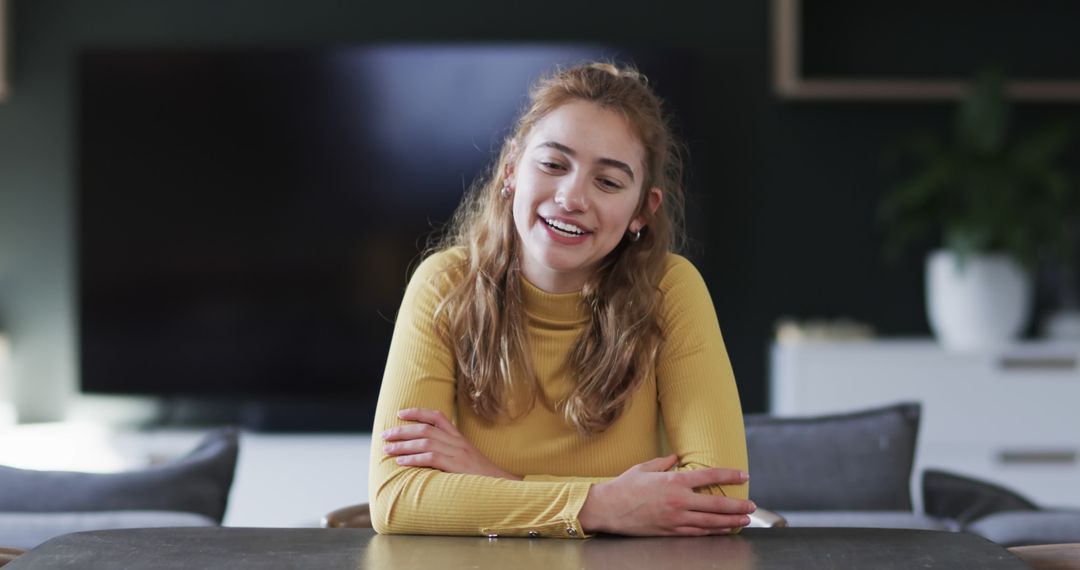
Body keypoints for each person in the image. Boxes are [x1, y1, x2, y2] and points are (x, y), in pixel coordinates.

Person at [369, 62, 752, 538]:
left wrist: (492, 480)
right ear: (510, 171)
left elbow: (719, 500)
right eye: (553, 165)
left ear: (641, 212)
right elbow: (396, 499)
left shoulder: (670, 289)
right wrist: (600, 506)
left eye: (608, 182)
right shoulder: (444, 286)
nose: (572, 197)